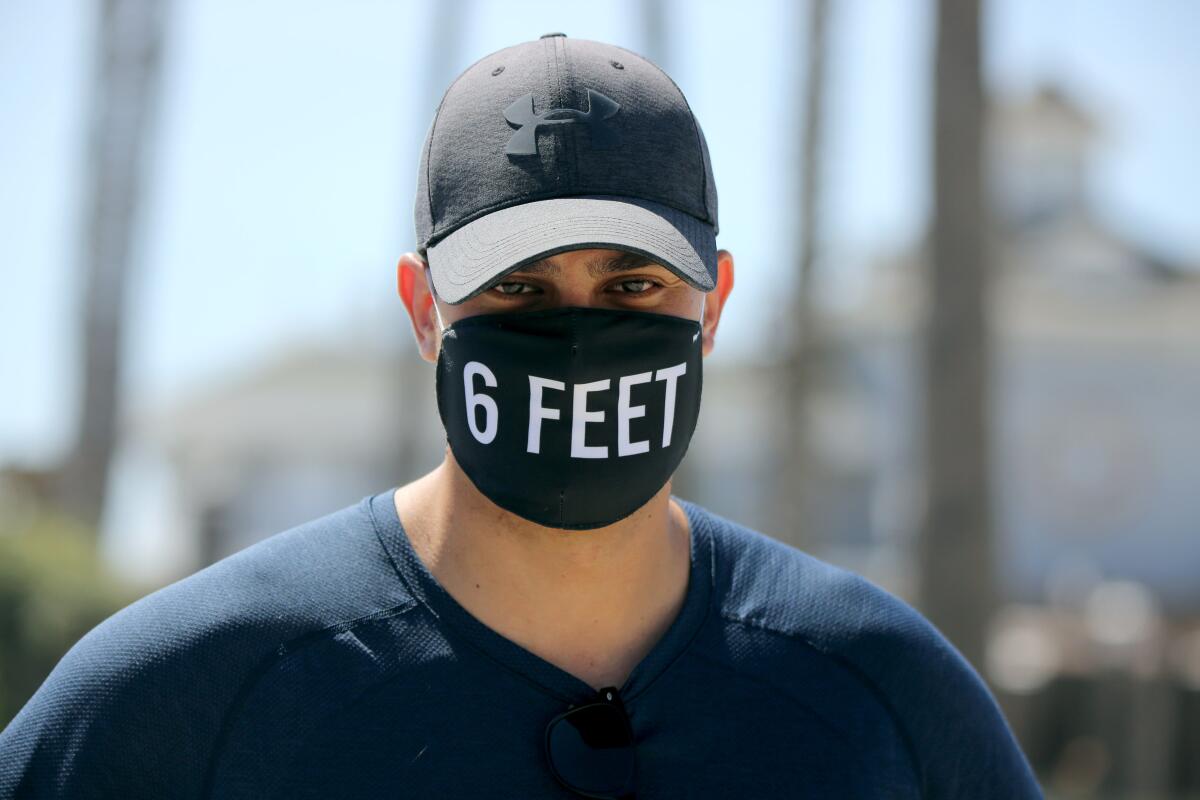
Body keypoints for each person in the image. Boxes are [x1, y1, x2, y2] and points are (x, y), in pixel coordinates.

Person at [0, 33, 1042, 799]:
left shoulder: (880, 692)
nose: (579, 333)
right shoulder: (189, 691)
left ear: (714, 306)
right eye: (518, 288)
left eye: (633, 287)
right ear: (423, 311)